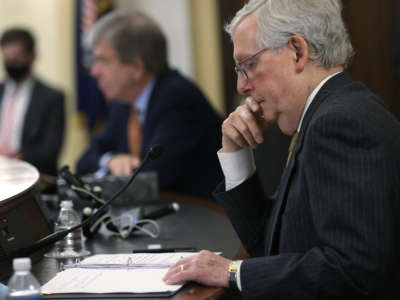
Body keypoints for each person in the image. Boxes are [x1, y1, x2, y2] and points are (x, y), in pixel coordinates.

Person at [163, 0, 400, 299]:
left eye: (248, 65)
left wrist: (232, 272)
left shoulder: (340, 122)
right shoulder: (325, 115)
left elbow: (353, 269)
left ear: (297, 52)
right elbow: (272, 244)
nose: (241, 86)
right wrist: (236, 155)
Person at [76, 11, 223, 198]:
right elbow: (84, 161)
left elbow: (151, 180)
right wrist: (110, 160)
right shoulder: (123, 104)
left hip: (206, 217)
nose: (94, 71)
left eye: (102, 60)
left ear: (136, 68)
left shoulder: (178, 99)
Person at [0, 28, 65, 176]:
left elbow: (50, 152)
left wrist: (14, 156)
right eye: (7, 59)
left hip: (33, 178)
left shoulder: (52, 97)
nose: (12, 64)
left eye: (17, 58)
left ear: (32, 57)